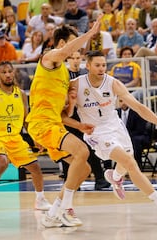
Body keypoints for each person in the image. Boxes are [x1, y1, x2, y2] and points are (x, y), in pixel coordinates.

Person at [66, 50, 157, 222]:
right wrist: (73, 104)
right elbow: (66, 113)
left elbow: (138, 107)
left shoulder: (113, 83)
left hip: (115, 125)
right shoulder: (75, 85)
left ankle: (115, 177)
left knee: (127, 160)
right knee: (129, 162)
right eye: (97, 65)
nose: (101, 68)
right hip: (95, 132)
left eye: (104, 65)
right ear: (88, 66)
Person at [25, 17, 103, 228]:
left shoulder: (65, 76)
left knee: (84, 169)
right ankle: (61, 210)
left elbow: (62, 115)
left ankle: (56, 211)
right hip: (41, 123)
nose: (75, 47)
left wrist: (77, 123)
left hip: (54, 124)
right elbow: (63, 52)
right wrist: (89, 34)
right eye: (72, 42)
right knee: (83, 151)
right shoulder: (49, 58)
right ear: (62, 43)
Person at [0, 61, 51, 217]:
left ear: (14, 73)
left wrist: (34, 138)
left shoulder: (21, 94)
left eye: (10, 71)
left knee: (35, 168)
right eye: (4, 72)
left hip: (14, 137)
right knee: (2, 163)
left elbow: (26, 119)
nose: (7, 74)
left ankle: (40, 200)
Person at [63, 50, 111, 190]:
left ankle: (100, 178)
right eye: (73, 57)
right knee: (70, 151)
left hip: (84, 116)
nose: (76, 60)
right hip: (69, 117)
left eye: (78, 58)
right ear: (68, 60)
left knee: (90, 148)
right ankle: (70, 180)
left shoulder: (86, 75)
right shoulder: (65, 76)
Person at [117, 99, 150, 170]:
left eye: (125, 101)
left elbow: (140, 130)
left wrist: (126, 136)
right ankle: (107, 168)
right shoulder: (115, 113)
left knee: (135, 140)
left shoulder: (136, 112)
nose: (123, 103)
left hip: (138, 136)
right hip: (121, 137)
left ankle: (136, 166)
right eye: (120, 101)